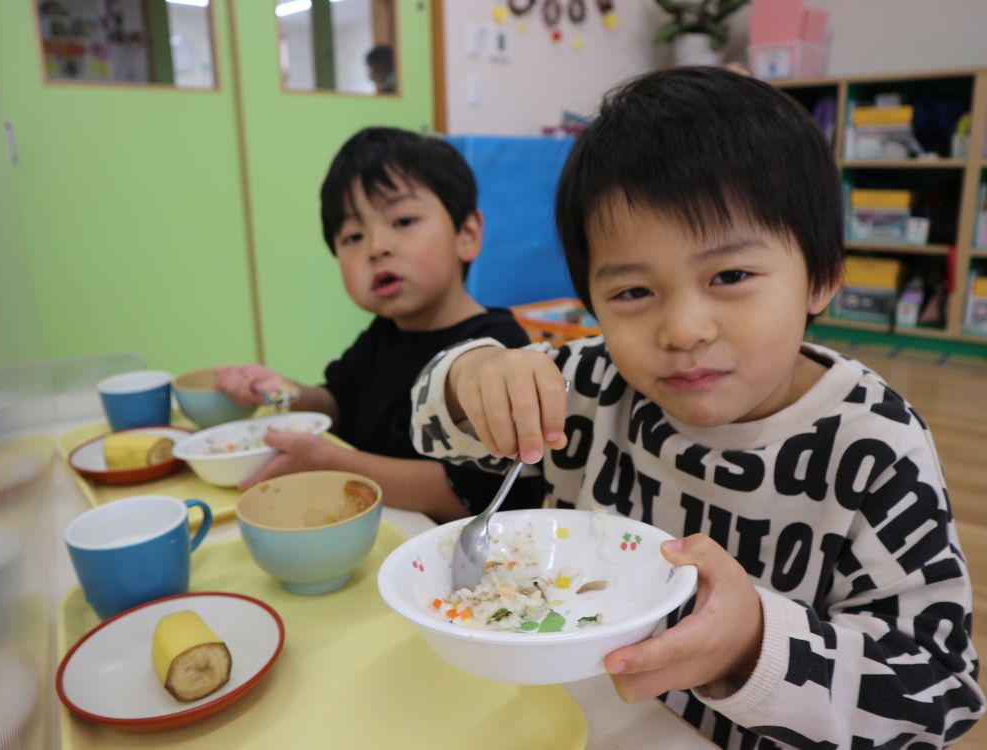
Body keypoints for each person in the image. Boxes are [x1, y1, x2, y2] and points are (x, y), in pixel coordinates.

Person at [409, 68, 984, 747]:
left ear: (823, 276)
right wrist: (470, 375)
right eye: (631, 293)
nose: (682, 330)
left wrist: (754, 646)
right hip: (577, 716)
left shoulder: (873, 448)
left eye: (730, 277)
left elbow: (940, 696)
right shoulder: (592, 382)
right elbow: (431, 428)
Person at [216, 127, 539, 523]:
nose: (376, 247)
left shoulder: (495, 350)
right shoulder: (379, 337)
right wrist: (279, 390)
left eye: (403, 220)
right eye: (353, 235)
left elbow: (470, 493)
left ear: (466, 235)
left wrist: (335, 463)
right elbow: (334, 402)